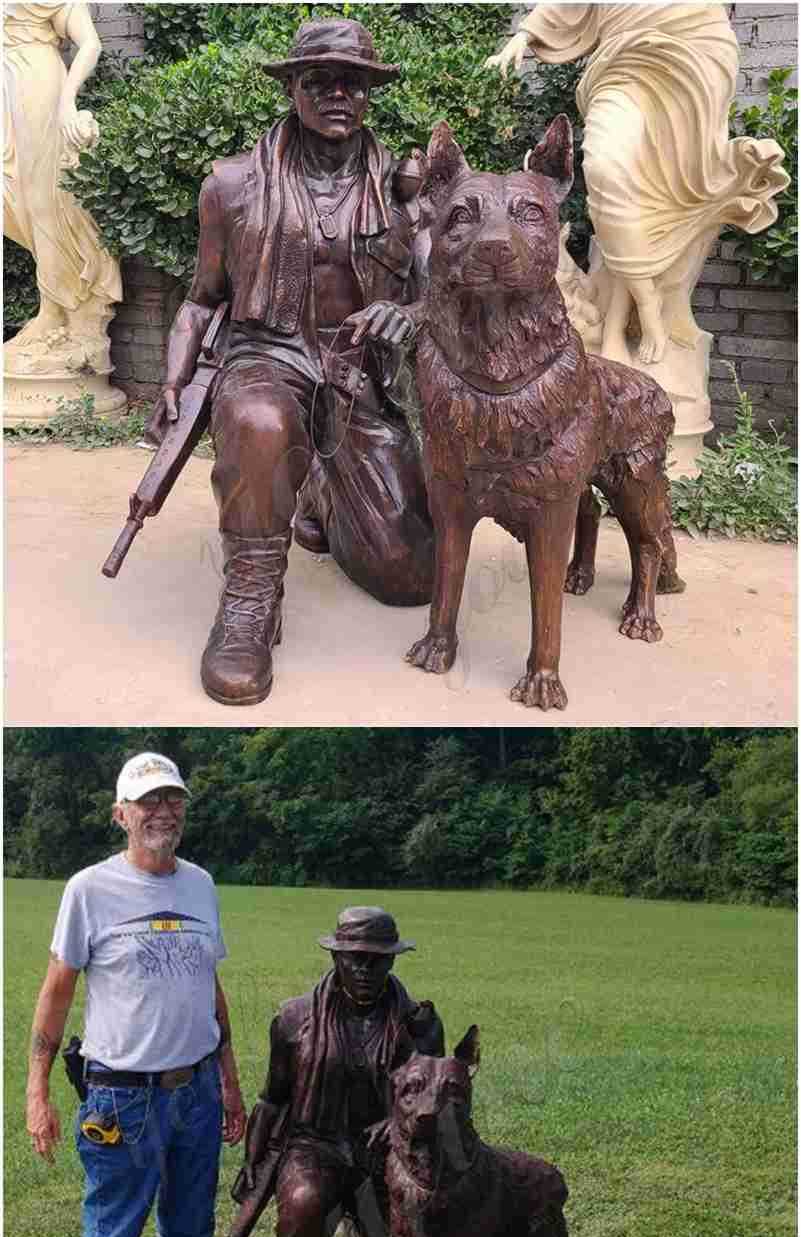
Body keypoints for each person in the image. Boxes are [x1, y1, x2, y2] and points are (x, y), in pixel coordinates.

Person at [148, 17, 436, 709]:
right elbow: (199, 301)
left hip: (360, 373)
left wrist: (412, 315)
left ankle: (314, 495)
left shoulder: (408, 192)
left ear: (370, 95)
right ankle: (249, 600)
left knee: (409, 579)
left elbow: (439, 303)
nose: (339, 95)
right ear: (292, 90)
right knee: (257, 419)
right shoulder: (232, 185)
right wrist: (173, 379)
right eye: (320, 82)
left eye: (354, 84)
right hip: (266, 354)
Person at [26, 751, 246, 1237]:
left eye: (172, 799)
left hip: (197, 1092)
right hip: (119, 1100)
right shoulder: (90, 889)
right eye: (147, 801)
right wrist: (36, 1089)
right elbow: (57, 990)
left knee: (188, 1236)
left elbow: (211, 990)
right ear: (121, 812)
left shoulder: (202, 884)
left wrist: (231, 1080)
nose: (162, 812)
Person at [486, 4, 789, 365]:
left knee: (652, 201)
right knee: (604, 166)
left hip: (695, 48)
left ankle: (615, 327)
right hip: (622, 59)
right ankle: (647, 304)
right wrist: (523, 34)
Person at [235, 906, 444, 1237]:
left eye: (376, 959)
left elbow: (433, 1101)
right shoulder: (294, 1020)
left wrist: (394, 1123)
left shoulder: (420, 1026)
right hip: (316, 1144)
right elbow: (272, 1098)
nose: (365, 969)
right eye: (354, 958)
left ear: (393, 960)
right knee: (305, 1199)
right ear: (336, 957)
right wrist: (253, 1158)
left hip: (386, 1156)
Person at [3, 2, 122, 367]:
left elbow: (90, 43)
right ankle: (54, 306)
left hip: (36, 83)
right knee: (13, 197)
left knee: (43, 195)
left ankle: (56, 310)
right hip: (5, 88)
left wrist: (67, 102)